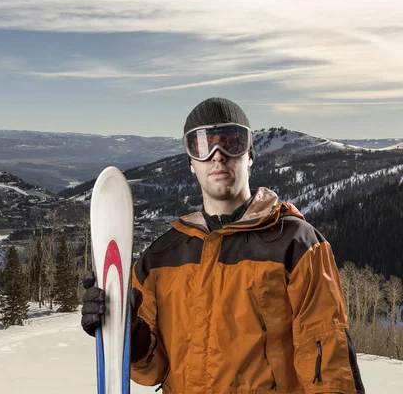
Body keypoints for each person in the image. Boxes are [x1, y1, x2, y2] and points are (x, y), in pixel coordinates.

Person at [81, 97, 365, 393]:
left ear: (250, 156)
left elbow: (328, 358)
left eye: (232, 142)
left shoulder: (296, 245)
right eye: (202, 146)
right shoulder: (160, 257)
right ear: (191, 163)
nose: (218, 155)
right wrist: (130, 332)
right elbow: (152, 370)